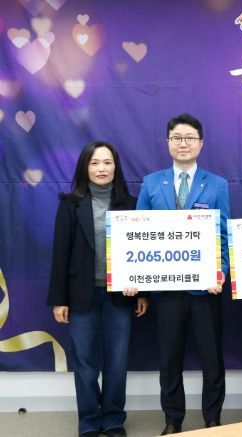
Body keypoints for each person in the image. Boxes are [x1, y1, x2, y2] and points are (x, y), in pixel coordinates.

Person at [135, 113, 230, 434]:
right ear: (168, 143)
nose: (183, 143)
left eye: (190, 138)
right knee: (169, 358)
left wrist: (220, 273)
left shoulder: (217, 184)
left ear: (201, 144)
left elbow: (224, 236)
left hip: (206, 290)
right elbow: (138, 235)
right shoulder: (151, 183)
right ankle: (172, 420)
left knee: (212, 358)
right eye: (177, 138)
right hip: (167, 291)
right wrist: (138, 281)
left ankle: (213, 418)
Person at [48, 141, 148, 437]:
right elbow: (60, 254)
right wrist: (59, 300)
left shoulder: (131, 204)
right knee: (86, 364)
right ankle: (90, 421)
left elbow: (143, 253)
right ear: (85, 168)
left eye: (107, 162)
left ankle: (114, 419)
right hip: (81, 296)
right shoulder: (70, 204)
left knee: (117, 362)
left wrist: (143, 292)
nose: (101, 168)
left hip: (121, 296)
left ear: (116, 167)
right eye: (94, 163)